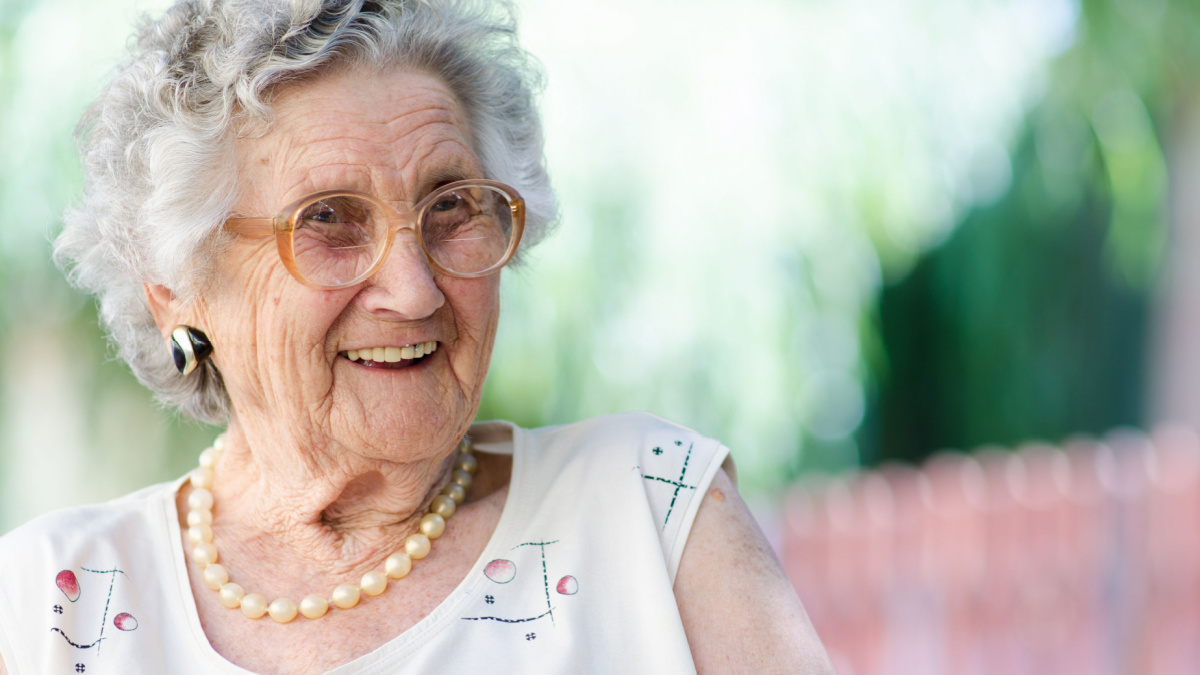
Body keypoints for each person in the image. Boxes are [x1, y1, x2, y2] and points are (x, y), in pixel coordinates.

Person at [0, 1, 834, 672]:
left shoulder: (651, 511)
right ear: (177, 293)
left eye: (451, 207)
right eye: (328, 220)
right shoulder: (48, 604)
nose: (415, 287)